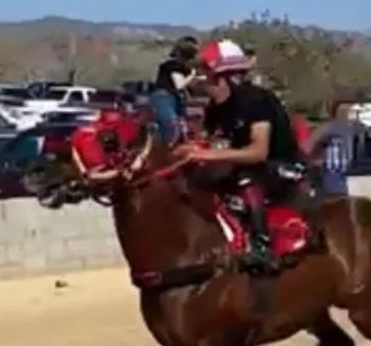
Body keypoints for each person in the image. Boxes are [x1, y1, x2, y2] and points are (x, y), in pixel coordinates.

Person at [179, 39, 302, 273]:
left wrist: (207, 154)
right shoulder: (215, 108)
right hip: (242, 167)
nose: (200, 78)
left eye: (205, 72)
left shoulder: (254, 101)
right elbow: (205, 140)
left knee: (246, 176)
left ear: (223, 75)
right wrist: (187, 151)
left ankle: (262, 246)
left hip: (282, 167)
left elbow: (258, 152)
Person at [150, 36, 200, 145]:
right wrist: (193, 75)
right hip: (164, 97)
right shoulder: (172, 65)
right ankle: (168, 149)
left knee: (176, 127)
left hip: (172, 98)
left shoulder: (181, 66)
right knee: (172, 127)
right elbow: (180, 84)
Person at [303, 101, 357, 197]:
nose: (349, 112)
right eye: (345, 109)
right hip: (332, 174)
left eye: (349, 109)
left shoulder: (348, 128)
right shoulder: (328, 128)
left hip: (344, 174)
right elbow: (307, 147)